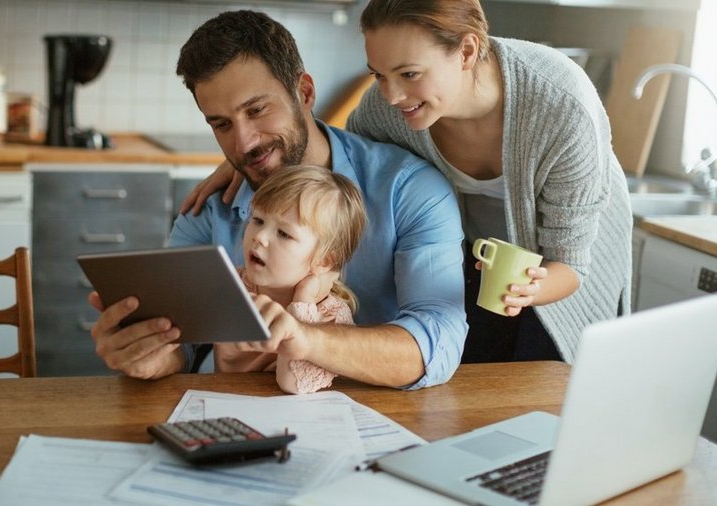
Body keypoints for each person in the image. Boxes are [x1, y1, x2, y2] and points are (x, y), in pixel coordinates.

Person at [185, 0, 633, 365]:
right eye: (380, 75)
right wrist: (252, 157)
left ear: (467, 52)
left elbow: (572, 263)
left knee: (551, 379)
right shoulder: (388, 109)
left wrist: (532, 288)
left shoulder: (561, 106)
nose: (392, 94)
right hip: (480, 260)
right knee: (476, 374)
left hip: (561, 265)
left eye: (409, 74)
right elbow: (339, 158)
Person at [88, 9, 468, 390]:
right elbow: (182, 342)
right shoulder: (207, 211)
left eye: (256, 110)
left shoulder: (409, 190)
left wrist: (306, 340)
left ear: (304, 92)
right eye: (221, 124)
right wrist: (150, 355)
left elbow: (438, 341)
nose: (244, 143)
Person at [217, 164, 367, 394]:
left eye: (284, 234)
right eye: (257, 220)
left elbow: (292, 384)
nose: (260, 237)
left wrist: (302, 304)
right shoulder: (235, 286)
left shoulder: (330, 316)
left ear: (324, 261)